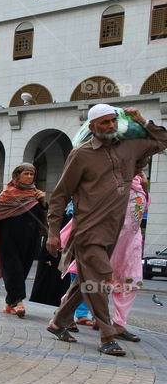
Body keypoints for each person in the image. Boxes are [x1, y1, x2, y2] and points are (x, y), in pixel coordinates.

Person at [45, 103, 167, 356]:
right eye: (104, 122)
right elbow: (60, 195)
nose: (110, 125)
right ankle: (106, 335)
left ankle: (58, 321)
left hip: (113, 231)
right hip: (88, 230)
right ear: (92, 127)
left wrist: (141, 120)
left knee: (88, 281)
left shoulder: (129, 147)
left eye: (113, 121)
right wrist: (53, 231)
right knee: (100, 277)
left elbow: (163, 139)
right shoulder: (81, 155)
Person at [0, 163, 46, 318]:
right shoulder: (6, 194)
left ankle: (9, 303)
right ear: (17, 175)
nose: (29, 177)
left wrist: (43, 202)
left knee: (23, 271)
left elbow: (43, 218)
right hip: (8, 240)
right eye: (26, 174)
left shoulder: (36, 194)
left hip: (30, 239)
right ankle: (19, 302)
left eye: (32, 174)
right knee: (13, 270)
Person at [108, 166, 150, 341]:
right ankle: (67, 313)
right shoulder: (113, 181)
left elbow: (144, 208)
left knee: (130, 282)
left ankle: (119, 324)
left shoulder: (140, 186)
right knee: (91, 281)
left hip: (132, 243)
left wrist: (145, 187)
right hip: (110, 241)